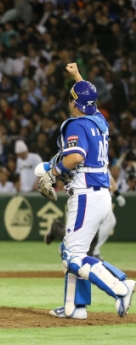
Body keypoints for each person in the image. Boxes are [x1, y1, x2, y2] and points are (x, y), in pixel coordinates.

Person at [37, 63, 135, 320]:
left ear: (74, 102)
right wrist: (78, 77)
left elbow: (76, 156)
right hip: (99, 194)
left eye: (72, 97)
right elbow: (90, 102)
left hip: (86, 194)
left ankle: (121, 287)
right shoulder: (99, 122)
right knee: (71, 251)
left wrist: (52, 173)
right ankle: (74, 308)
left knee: (73, 257)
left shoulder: (77, 124)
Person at [44, 170, 127, 261]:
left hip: (99, 196)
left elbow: (108, 176)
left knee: (106, 222)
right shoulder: (84, 159)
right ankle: (92, 251)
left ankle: (93, 251)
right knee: (80, 229)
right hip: (86, 195)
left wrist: (117, 194)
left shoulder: (99, 160)